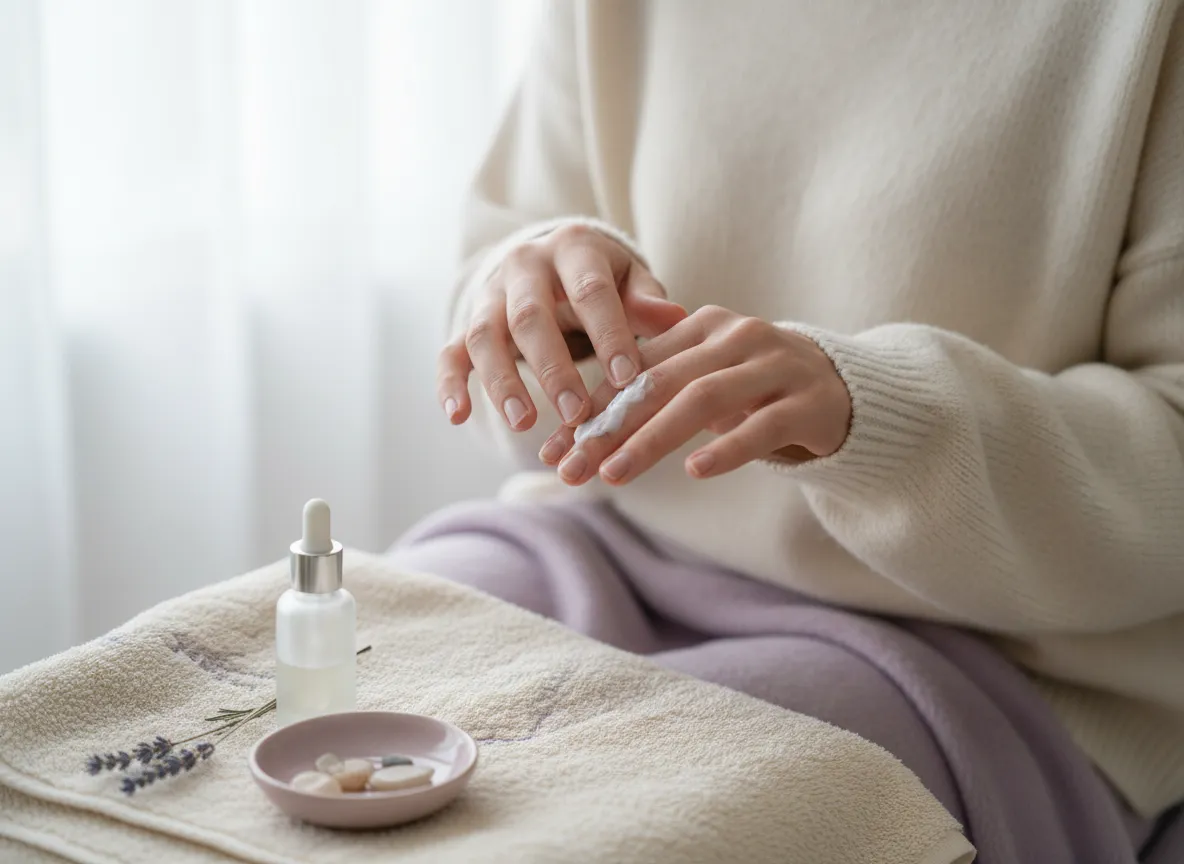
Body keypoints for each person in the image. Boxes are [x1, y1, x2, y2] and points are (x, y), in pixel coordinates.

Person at [391, 2, 1184, 861]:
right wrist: (537, 306)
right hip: (608, 541)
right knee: (311, 699)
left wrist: (878, 420)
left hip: (997, 654)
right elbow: (505, 261)